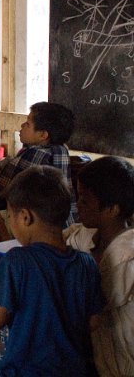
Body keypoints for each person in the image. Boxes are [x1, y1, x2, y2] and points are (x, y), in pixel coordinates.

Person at [0, 166, 104, 377]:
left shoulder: (17, 261)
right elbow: (94, 322)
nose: (10, 222)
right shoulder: (85, 262)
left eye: (10, 215)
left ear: (25, 217)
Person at [64, 156, 134, 377]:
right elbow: (59, 240)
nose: (78, 206)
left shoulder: (127, 256)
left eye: (85, 201)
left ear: (112, 209)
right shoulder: (88, 235)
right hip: (103, 359)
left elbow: (92, 302)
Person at [0, 102, 76, 230]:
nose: (22, 126)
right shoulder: (61, 149)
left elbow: (4, 191)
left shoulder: (35, 154)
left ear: (43, 135)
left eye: (27, 124)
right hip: (64, 223)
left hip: (37, 223)